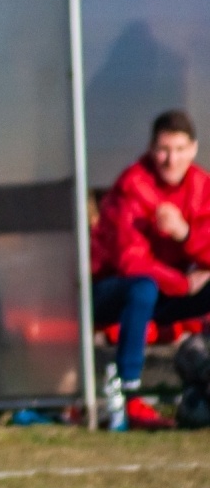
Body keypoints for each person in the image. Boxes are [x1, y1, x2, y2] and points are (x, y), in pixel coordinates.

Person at [90, 109, 210, 430]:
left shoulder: (201, 185)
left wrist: (184, 234)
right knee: (142, 287)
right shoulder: (132, 185)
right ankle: (129, 394)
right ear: (151, 149)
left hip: (164, 295)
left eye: (180, 149)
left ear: (194, 149)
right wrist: (183, 284)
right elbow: (130, 262)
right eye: (163, 150)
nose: (172, 159)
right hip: (110, 294)